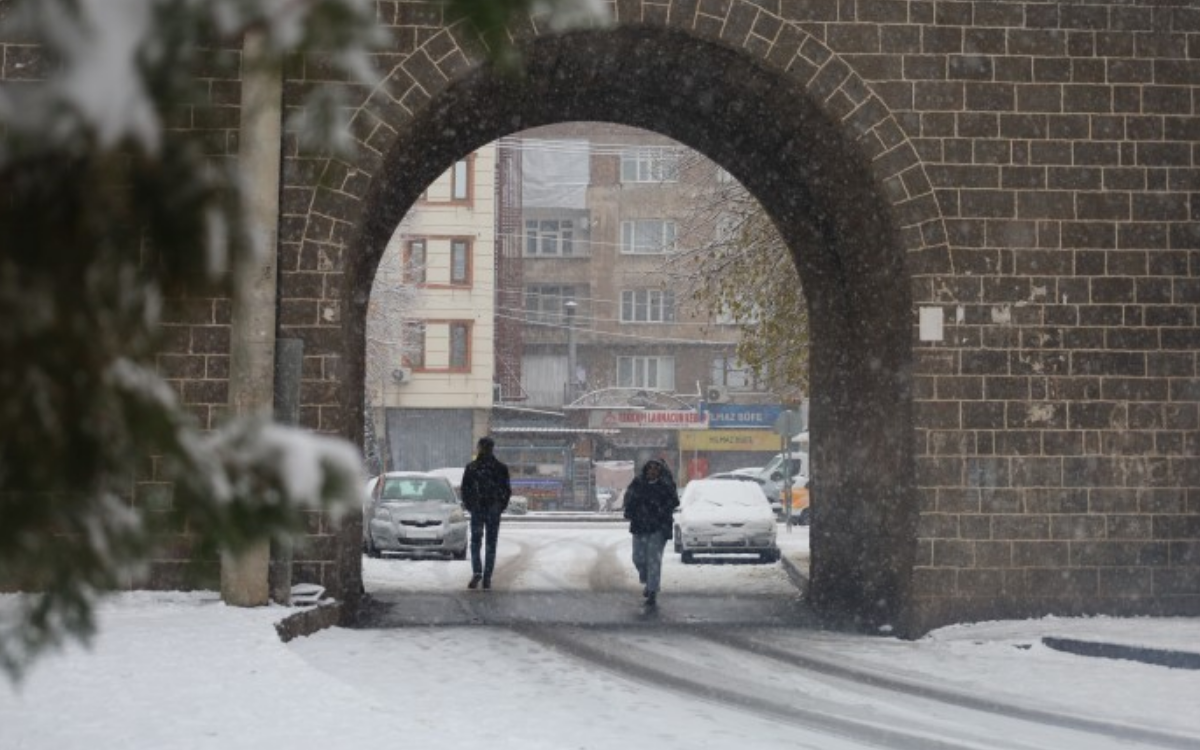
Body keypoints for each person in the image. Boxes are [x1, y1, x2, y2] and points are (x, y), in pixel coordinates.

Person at [622, 458, 678, 607]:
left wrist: (660, 510)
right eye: (650, 468)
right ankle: (647, 580)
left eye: (656, 469)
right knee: (638, 558)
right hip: (640, 526)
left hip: (658, 528)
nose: (652, 471)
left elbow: (674, 501)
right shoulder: (638, 483)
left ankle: (652, 591)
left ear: (660, 471)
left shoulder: (665, 485)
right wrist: (630, 511)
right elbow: (629, 499)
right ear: (645, 470)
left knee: (653, 559)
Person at [460, 436, 512, 590]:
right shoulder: (501, 468)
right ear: (492, 448)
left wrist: (470, 505)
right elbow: (507, 490)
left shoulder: (472, 467)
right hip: (493, 509)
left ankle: (477, 571)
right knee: (491, 544)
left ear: (480, 448)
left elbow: (465, 489)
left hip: (477, 508)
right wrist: (500, 506)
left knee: (475, 542)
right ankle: (487, 577)